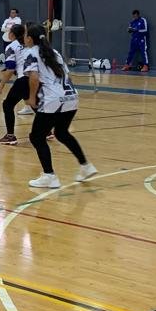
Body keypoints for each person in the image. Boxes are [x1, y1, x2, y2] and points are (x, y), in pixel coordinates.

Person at [23, 22, 97, 190]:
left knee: (36, 137)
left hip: (53, 99)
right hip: (71, 96)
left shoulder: (31, 53)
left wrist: (32, 97)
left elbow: (33, 78)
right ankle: (86, 166)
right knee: (61, 133)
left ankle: (49, 176)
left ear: (29, 38)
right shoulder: (54, 53)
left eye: (26, 35)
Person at [0, 22, 27, 146]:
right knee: (34, 104)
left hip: (24, 78)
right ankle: (47, 131)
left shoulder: (11, 46)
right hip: (36, 77)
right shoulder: (28, 44)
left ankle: (10, 136)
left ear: (12, 34)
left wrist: (1, 84)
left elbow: (10, 68)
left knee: (7, 105)